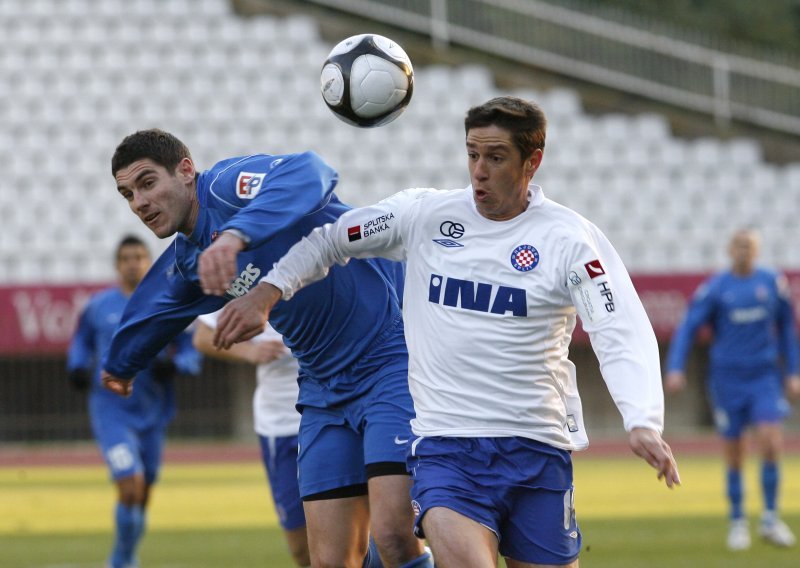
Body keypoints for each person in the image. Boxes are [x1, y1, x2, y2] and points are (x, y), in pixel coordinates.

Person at [211, 96, 681, 568]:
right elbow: (331, 239)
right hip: (445, 446)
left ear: (531, 161)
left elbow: (616, 324)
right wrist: (269, 290)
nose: (479, 170)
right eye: (472, 154)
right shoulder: (425, 215)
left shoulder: (569, 240)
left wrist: (641, 419)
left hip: (537, 446)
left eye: (495, 157)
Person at [102, 129, 431, 568]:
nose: (139, 202)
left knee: (393, 537)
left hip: (388, 355)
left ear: (185, 171)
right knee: (330, 560)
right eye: (127, 194)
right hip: (322, 388)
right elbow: (156, 307)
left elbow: (312, 172)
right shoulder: (189, 259)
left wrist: (234, 236)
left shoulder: (225, 185)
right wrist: (121, 363)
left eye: (147, 183)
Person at [67, 235, 202, 568]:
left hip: (153, 412)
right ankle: (121, 560)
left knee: (143, 493)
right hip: (110, 411)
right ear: (117, 265)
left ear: (148, 262)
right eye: (126, 258)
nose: (132, 263)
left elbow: (190, 349)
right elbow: (81, 342)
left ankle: (125, 556)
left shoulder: (167, 302)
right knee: (131, 485)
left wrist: (177, 365)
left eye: (139, 257)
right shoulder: (99, 306)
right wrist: (77, 366)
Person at [666, 228, 800, 551]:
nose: (744, 251)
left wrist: (793, 372)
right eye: (739, 245)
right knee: (735, 451)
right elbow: (688, 327)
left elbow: (786, 327)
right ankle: (738, 521)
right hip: (727, 379)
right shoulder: (716, 288)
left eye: (750, 246)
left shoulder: (772, 284)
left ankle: (769, 518)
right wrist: (675, 367)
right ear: (730, 249)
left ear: (757, 250)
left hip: (764, 376)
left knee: (770, 439)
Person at [193, 310, 310, 567]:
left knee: (360, 535)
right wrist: (249, 351)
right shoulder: (251, 277)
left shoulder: (330, 273)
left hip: (330, 419)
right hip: (279, 426)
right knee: (302, 550)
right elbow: (202, 336)